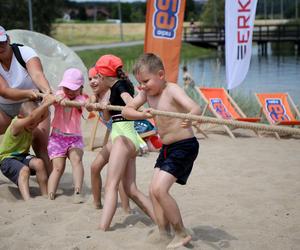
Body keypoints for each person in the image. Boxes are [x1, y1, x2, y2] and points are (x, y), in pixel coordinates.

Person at [122, 53, 201, 249]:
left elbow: (195, 108)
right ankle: (163, 232)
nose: (142, 86)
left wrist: (191, 117)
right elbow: (126, 111)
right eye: (139, 82)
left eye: (146, 81)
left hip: (184, 146)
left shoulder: (172, 90)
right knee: (152, 190)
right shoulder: (146, 93)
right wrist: (140, 113)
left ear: (161, 74)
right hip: (167, 148)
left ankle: (181, 232)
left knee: (159, 189)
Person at [88, 55, 156, 231]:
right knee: (131, 188)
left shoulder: (119, 86)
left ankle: (103, 227)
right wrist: (104, 108)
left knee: (111, 185)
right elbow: (113, 117)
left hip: (123, 138)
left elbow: (129, 105)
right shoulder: (116, 86)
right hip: (121, 137)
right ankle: (160, 220)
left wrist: (140, 113)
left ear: (102, 75)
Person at [0, 25, 53, 175]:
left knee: (40, 145)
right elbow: (4, 91)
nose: (0, 46)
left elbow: (37, 74)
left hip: (33, 105)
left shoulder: (25, 52)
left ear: (8, 39)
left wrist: (47, 92)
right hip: (4, 109)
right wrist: (28, 93)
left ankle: (50, 185)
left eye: (2, 42)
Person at [87, 66, 131, 212]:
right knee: (94, 167)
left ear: (104, 79)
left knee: (119, 178)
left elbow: (107, 117)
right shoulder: (99, 95)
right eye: (90, 79)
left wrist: (104, 107)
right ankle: (97, 204)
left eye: (95, 78)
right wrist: (92, 102)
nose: (92, 82)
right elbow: (90, 104)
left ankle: (126, 209)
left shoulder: (113, 93)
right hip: (115, 137)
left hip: (124, 137)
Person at [0, 94, 56, 200]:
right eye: (31, 124)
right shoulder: (16, 125)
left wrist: (49, 102)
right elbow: (32, 117)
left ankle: (45, 194)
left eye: (36, 124)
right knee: (24, 170)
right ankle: (28, 199)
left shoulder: (32, 123)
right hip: (7, 159)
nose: (34, 126)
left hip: (22, 156)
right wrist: (46, 104)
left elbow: (42, 116)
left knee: (39, 163)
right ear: (21, 118)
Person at [47, 68, 87, 203]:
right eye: (67, 88)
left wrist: (75, 102)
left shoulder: (81, 98)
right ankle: (51, 193)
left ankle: (78, 190)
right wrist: (59, 98)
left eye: (73, 89)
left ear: (80, 88)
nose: (69, 92)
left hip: (74, 137)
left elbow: (82, 102)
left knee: (77, 160)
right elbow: (56, 95)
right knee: (58, 167)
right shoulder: (60, 94)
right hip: (57, 137)